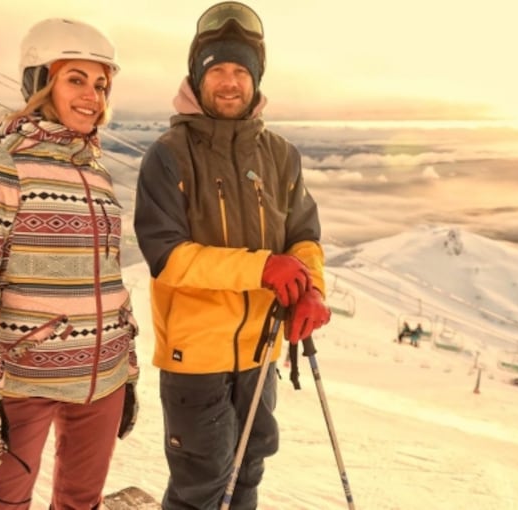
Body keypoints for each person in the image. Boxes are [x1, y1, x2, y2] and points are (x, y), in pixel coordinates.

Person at [133, 2, 330, 508]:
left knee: (248, 474)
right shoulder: (169, 155)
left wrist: (310, 290)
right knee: (202, 486)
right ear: (197, 78)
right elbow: (168, 255)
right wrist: (261, 268)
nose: (228, 82)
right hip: (195, 357)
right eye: (216, 69)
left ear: (256, 78)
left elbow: (303, 236)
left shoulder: (281, 155)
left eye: (240, 70)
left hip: (261, 353)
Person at [0, 18, 139, 510]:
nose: (92, 96)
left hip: (103, 378)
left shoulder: (95, 173)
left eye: (100, 84)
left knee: (81, 502)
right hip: (24, 383)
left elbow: (109, 278)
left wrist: (128, 369)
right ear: (40, 82)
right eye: (76, 79)